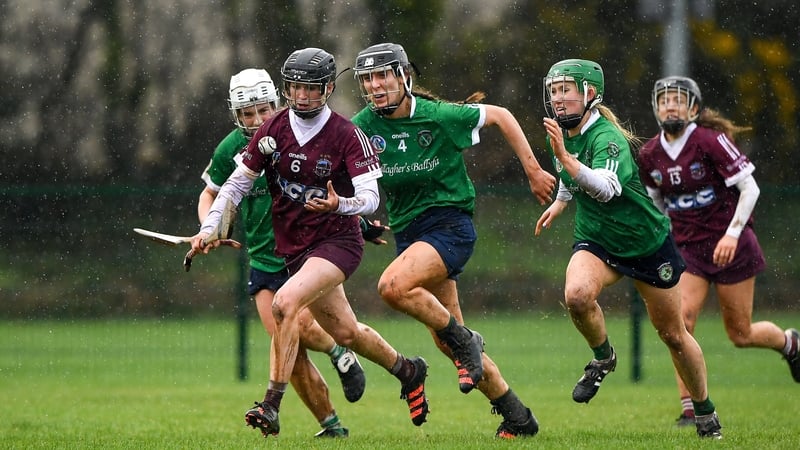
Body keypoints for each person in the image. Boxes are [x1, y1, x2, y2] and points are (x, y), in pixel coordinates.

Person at [190, 48, 429, 438]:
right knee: (347, 333)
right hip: (294, 250)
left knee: (285, 306)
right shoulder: (273, 130)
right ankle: (408, 369)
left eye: (310, 88)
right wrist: (209, 228)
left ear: (329, 88)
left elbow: (370, 196)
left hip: (336, 241)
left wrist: (342, 204)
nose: (301, 96)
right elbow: (235, 184)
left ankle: (271, 404)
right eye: (295, 87)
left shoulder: (346, 134)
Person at [350, 42, 555, 438]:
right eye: (367, 79)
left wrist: (533, 170)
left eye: (382, 76)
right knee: (451, 344)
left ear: (404, 77)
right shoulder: (361, 127)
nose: (375, 86)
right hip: (410, 236)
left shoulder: (439, 116)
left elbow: (502, 115)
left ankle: (467, 341)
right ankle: (518, 416)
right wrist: (358, 219)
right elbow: (348, 179)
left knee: (392, 287)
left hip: (449, 226)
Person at [533, 59, 722, 439]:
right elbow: (572, 176)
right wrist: (560, 201)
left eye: (565, 89)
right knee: (577, 295)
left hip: (645, 244)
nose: (557, 98)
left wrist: (568, 161)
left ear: (589, 93)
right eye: (553, 91)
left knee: (673, 334)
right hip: (599, 240)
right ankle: (604, 357)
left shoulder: (608, 138)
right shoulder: (561, 133)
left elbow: (605, 188)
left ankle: (705, 413)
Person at [197, 67, 371, 437]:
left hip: (304, 253)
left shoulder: (294, 134)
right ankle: (332, 426)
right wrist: (208, 227)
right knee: (286, 352)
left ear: (276, 101)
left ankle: (342, 354)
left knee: (303, 322)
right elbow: (213, 193)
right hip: (263, 257)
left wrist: (361, 223)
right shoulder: (232, 148)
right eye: (247, 113)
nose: (257, 119)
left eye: (263, 109)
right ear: (235, 113)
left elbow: (338, 186)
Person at [636, 76, 800, 426]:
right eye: (663, 100)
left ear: (693, 108)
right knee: (682, 323)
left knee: (740, 333)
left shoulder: (711, 141)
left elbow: (750, 189)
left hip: (732, 246)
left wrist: (732, 234)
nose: (670, 105)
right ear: (655, 107)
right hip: (689, 251)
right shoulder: (649, 154)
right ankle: (690, 407)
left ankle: (790, 343)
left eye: (678, 100)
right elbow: (656, 205)